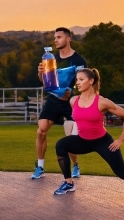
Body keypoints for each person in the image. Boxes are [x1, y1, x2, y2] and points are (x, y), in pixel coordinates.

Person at [52, 67, 124, 201]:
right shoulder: (74, 101)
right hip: (83, 140)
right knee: (61, 145)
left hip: (102, 142)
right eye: (76, 80)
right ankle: (68, 183)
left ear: (91, 81)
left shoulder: (102, 102)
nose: (77, 83)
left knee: (121, 172)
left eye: (81, 79)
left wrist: (120, 139)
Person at [32, 27, 87, 179]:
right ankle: (40, 167)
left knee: (70, 138)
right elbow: (45, 82)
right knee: (41, 131)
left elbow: (83, 80)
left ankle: (75, 166)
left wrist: (72, 90)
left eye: (59, 37)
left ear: (68, 38)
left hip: (70, 102)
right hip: (52, 100)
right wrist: (40, 73)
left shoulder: (78, 61)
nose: (56, 40)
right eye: (55, 37)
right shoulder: (51, 59)